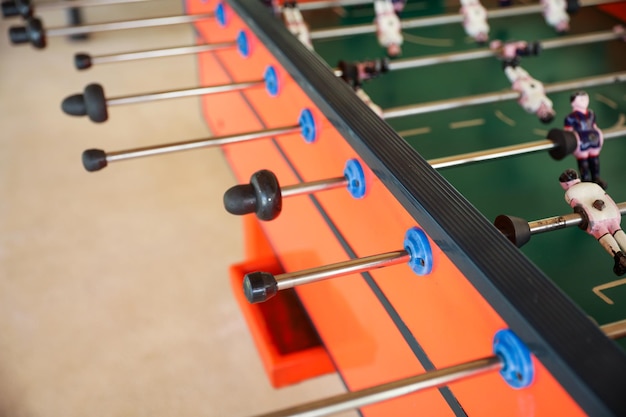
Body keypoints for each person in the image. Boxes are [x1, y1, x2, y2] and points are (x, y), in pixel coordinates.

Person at [559, 169, 626, 275]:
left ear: (565, 184)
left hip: (594, 217)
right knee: (617, 230)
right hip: (611, 211)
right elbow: (607, 197)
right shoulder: (593, 185)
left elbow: (577, 205)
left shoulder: (569, 193)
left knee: (603, 233)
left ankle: (619, 257)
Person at [564, 91, 606, 189]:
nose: (584, 101)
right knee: (584, 162)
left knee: (595, 159)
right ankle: (586, 181)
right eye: (581, 99)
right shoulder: (570, 117)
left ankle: (596, 177)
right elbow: (568, 132)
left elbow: (594, 126)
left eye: (585, 98)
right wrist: (574, 142)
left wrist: (599, 135)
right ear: (573, 103)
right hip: (581, 141)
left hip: (594, 139)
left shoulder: (591, 113)